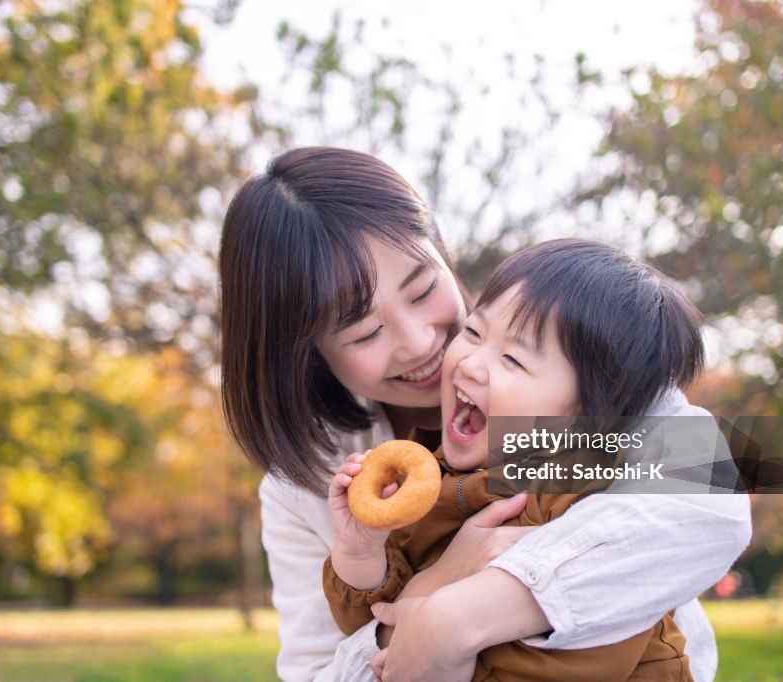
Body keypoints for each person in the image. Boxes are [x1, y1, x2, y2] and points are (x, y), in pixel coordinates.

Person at [219, 147, 751, 682]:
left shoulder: (575, 359)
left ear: (442, 253)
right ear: (306, 352)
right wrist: (432, 588)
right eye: (366, 332)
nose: (421, 342)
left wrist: (464, 613)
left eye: (424, 289)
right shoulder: (309, 486)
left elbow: (711, 492)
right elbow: (315, 672)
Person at [324, 239, 705, 681]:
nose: (471, 363)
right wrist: (361, 553)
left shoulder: (585, 499)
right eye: (474, 332)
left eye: (512, 359)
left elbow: (580, 656)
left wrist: (442, 650)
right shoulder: (431, 480)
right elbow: (370, 625)